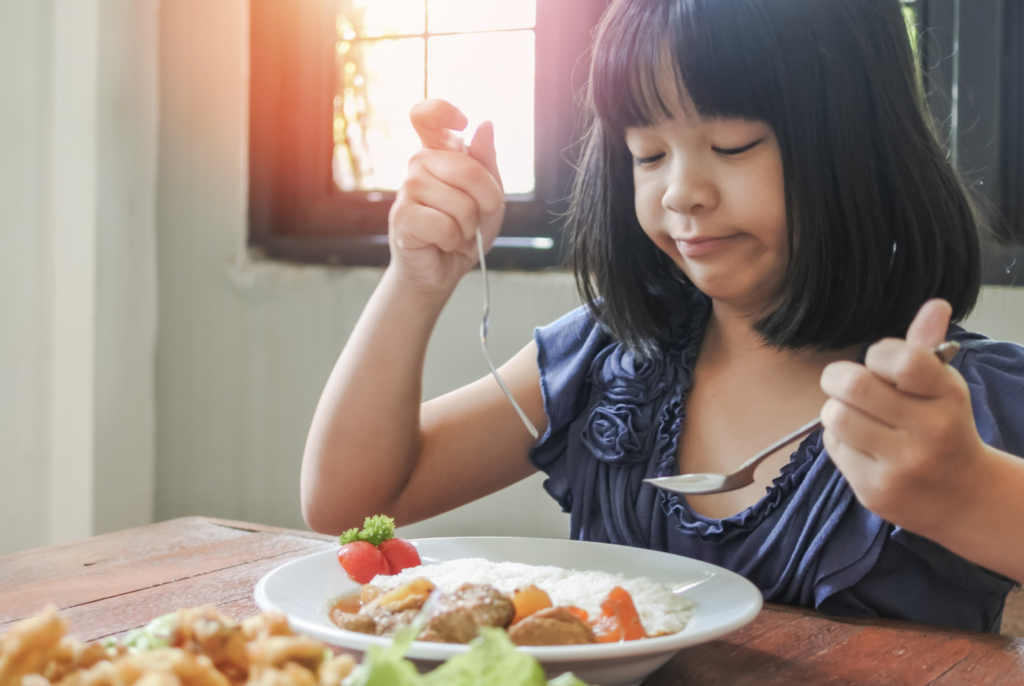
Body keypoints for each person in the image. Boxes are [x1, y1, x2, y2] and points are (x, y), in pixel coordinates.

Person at [300, 0, 1024, 633]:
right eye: (647, 154)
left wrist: (969, 492)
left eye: (732, 145)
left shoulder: (964, 401)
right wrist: (416, 282)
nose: (682, 192)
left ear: (859, 144)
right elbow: (353, 499)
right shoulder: (608, 359)